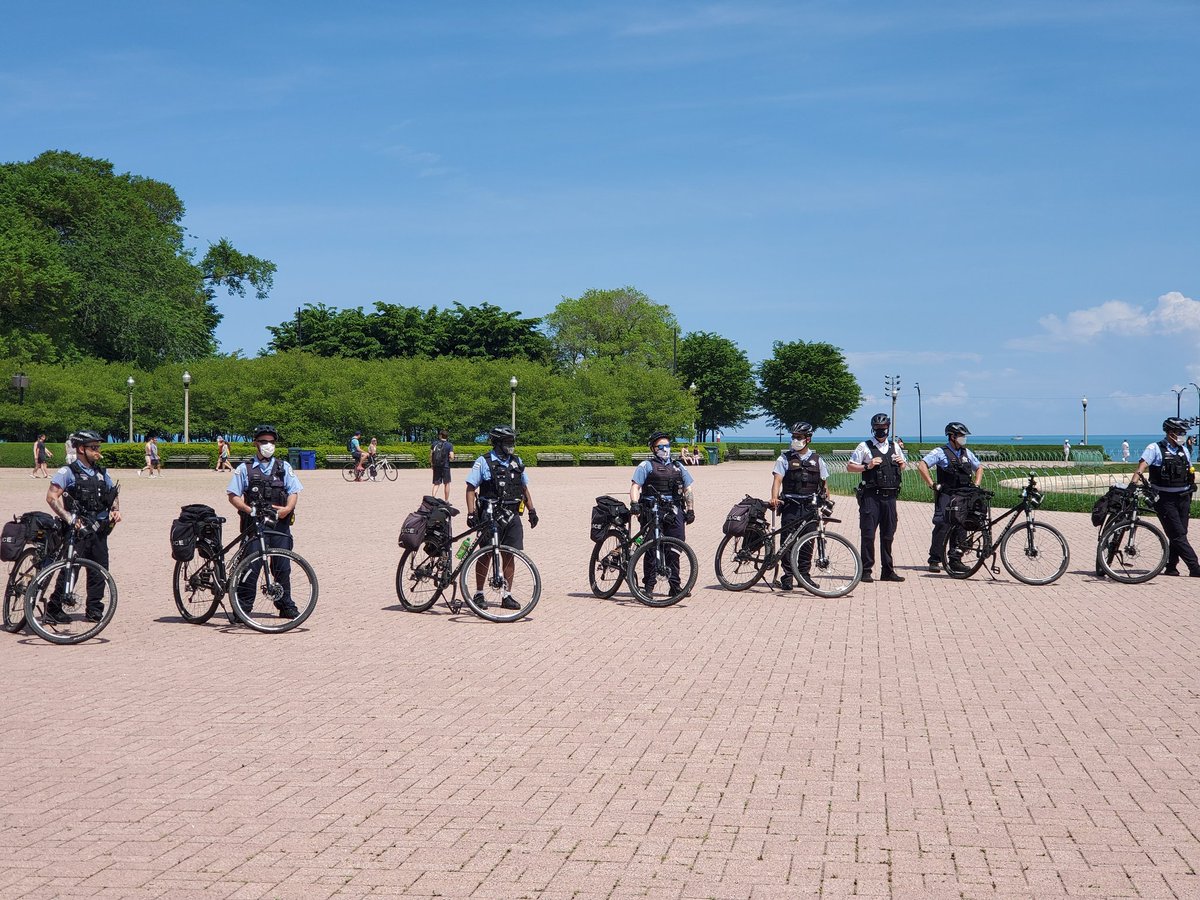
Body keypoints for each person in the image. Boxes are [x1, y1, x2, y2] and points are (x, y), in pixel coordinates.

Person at [226, 425, 304, 618]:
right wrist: (248, 510)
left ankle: (285, 605)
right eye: (263, 441)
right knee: (251, 568)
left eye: (271, 442)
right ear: (256, 443)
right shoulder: (245, 469)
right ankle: (242, 608)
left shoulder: (283, 467)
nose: (268, 445)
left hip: (279, 524)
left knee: (282, 567)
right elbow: (233, 495)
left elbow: (294, 491)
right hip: (254, 525)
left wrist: (287, 509)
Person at [45, 430, 121, 623]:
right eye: (93, 447)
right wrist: (68, 517)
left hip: (100, 529)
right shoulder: (67, 472)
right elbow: (51, 497)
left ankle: (94, 609)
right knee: (70, 569)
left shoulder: (102, 472)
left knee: (99, 570)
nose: (98, 451)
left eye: (98, 447)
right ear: (81, 449)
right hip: (77, 530)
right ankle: (54, 608)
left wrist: (115, 510)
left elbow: (112, 494)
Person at [465, 426, 538, 610]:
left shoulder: (516, 461)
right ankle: (479, 593)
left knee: (510, 553)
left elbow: (523, 487)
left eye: (512, 442)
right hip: (490, 514)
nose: (511, 445)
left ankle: (507, 595)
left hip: (512, 514)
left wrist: (532, 510)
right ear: (497, 443)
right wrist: (471, 512)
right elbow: (471, 488)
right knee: (486, 553)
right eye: (508, 442)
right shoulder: (483, 461)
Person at [629, 431, 696, 597]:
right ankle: (648, 586)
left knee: (675, 548)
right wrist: (635, 504)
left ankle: (675, 587)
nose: (665, 449)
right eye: (661, 446)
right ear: (654, 448)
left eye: (667, 445)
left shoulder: (679, 466)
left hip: (674, 510)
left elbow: (688, 488)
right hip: (652, 510)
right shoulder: (646, 466)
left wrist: (691, 509)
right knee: (651, 547)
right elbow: (635, 486)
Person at [1131, 418, 1199, 577]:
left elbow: (1189, 469)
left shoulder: (1184, 449)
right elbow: (1141, 467)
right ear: (1171, 433)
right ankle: (1195, 567)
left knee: (1180, 532)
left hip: (1183, 496)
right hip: (1164, 498)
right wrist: (1133, 484)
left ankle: (1171, 567)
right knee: (1177, 534)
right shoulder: (1154, 448)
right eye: (1180, 432)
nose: (1183, 435)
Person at [847, 413, 907, 583]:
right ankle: (866, 570)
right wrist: (868, 465)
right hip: (871, 497)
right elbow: (850, 467)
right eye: (877, 429)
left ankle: (887, 571)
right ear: (872, 429)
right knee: (868, 534)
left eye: (883, 429)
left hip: (890, 497)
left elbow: (902, 465)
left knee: (888, 535)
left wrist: (902, 464)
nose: (881, 432)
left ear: (888, 428)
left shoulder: (895, 446)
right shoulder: (864, 447)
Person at [768, 422, 829, 591]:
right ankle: (788, 576)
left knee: (808, 543)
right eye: (794, 437)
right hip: (791, 505)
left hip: (810, 507)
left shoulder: (818, 460)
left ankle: (804, 576)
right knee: (788, 541)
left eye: (799, 437)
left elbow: (824, 485)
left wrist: (826, 506)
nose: (795, 440)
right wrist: (774, 498)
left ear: (808, 439)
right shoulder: (784, 458)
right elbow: (777, 480)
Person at [917, 422, 983, 573]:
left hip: (964, 495)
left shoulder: (967, 453)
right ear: (952, 437)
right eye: (961, 436)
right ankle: (935, 559)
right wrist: (932, 484)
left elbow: (979, 467)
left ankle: (955, 559)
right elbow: (922, 465)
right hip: (947, 494)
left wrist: (977, 485)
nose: (963, 438)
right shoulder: (940, 452)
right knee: (943, 525)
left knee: (961, 526)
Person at [431, 429, 455, 500]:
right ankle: (446, 500)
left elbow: (431, 455)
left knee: (436, 483)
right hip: (445, 466)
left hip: (436, 466)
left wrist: (432, 464)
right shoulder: (449, 445)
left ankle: (433, 499)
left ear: (440, 436)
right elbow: (452, 456)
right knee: (446, 483)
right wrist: (450, 459)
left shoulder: (434, 444)